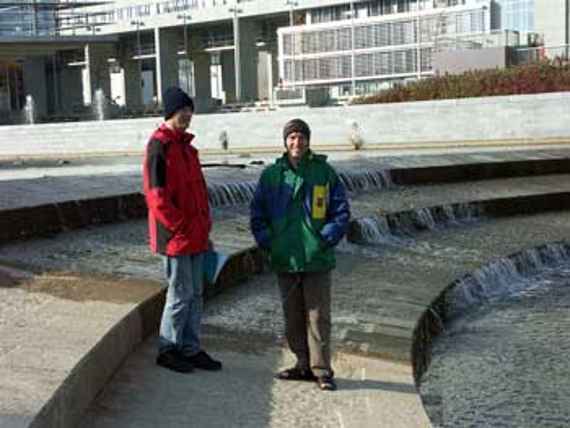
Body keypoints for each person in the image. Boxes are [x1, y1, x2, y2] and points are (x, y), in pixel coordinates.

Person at [250, 118, 350, 391]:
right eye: (292, 137)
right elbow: (257, 215)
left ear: (308, 141)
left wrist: (325, 239)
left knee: (318, 316)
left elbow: (341, 212)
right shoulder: (272, 175)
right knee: (292, 316)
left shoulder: (324, 172)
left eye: (301, 137)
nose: (297, 142)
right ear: (285, 142)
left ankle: (322, 370)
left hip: (316, 257)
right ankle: (302, 364)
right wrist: (269, 243)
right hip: (285, 258)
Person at [143, 86, 221, 373]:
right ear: (170, 112)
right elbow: (155, 196)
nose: (187, 114)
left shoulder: (188, 149)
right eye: (182, 110)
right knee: (179, 294)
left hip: (196, 233)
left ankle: (190, 347)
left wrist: (204, 225)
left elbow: (199, 192)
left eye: (189, 110)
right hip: (175, 236)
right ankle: (168, 348)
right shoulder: (159, 146)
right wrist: (180, 226)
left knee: (196, 294)